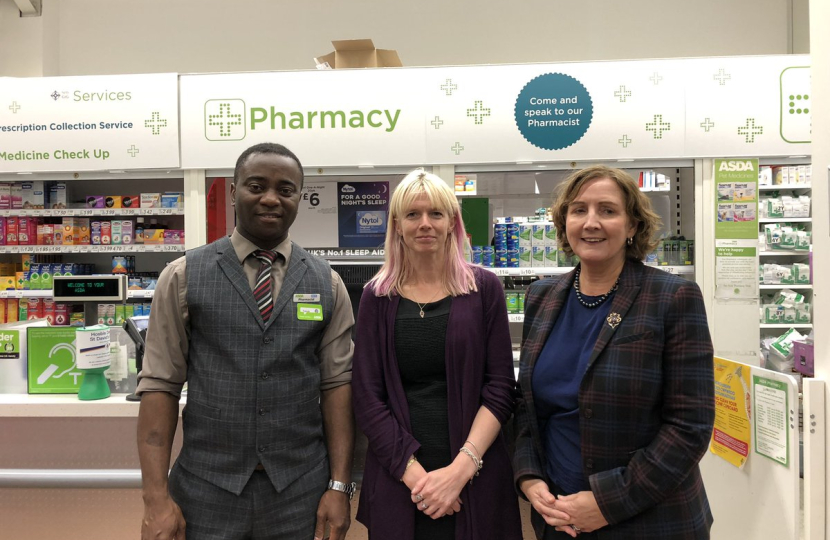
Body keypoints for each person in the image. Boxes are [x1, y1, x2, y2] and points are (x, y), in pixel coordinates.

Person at [136, 142, 356, 540]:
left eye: (285, 189)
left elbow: (337, 386)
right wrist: (155, 499)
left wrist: (339, 486)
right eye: (257, 186)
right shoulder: (183, 276)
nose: (271, 198)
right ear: (234, 191)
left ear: (299, 199)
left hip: (299, 493)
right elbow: (159, 388)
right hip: (205, 491)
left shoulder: (329, 283)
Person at [513, 165, 715, 539]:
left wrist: (609, 502)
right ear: (564, 223)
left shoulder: (672, 297)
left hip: (650, 520)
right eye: (579, 210)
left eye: (607, 210)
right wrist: (528, 477)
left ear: (633, 225)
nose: (591, 222)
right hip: (560, 517)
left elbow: (691, 426)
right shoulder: (541, 297)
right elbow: (527, 408)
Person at [352, 170, 522, 540]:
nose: (424, 224)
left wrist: (460, 470)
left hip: (474, 474)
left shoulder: (484, 289)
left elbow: (500, 388)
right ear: (397, 226)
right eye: (412, 215)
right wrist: (418, 479)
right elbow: (367, 397)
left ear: (452, 224)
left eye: (436, 214)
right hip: (400, 478)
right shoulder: (376, 297)